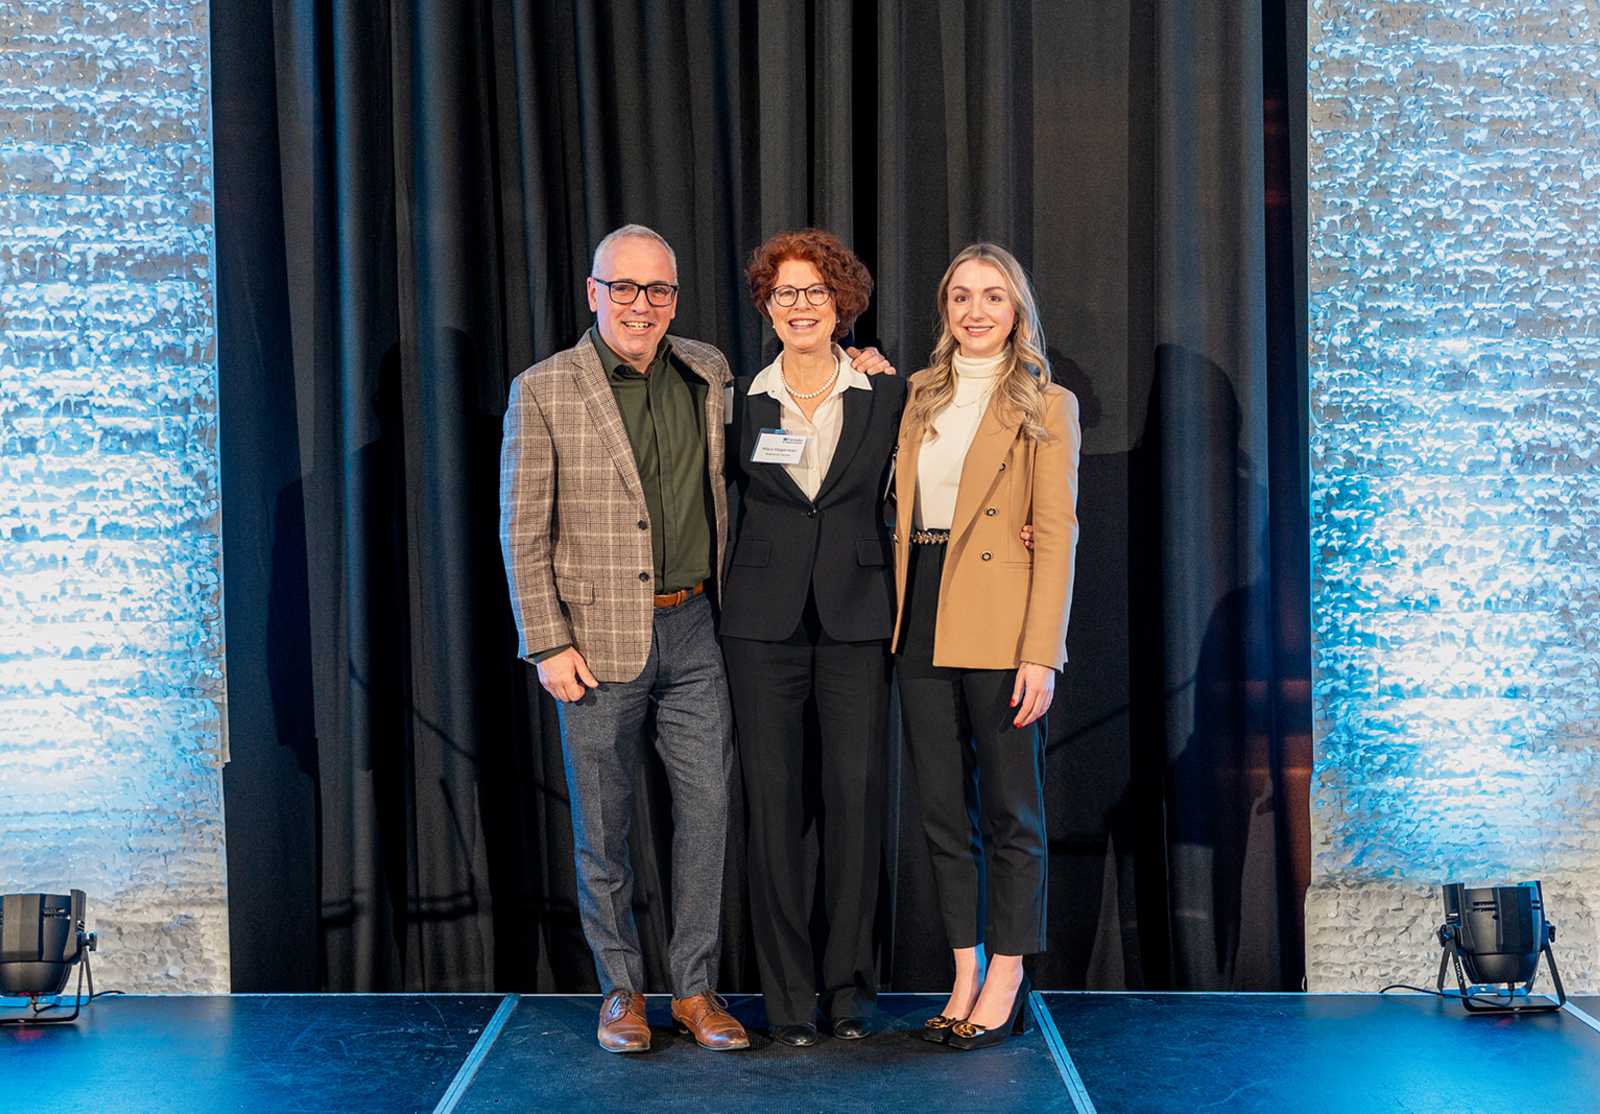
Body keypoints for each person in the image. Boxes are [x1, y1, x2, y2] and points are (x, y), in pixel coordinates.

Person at [499, 223, 892, 1055]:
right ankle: (620, 991)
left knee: (710, 815)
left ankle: (696, 989)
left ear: (676, 298)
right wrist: (547, 643)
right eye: (627, 289)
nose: (643, 306)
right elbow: (522, 530)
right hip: (596, 641)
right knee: (605, 826)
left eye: (660, 290)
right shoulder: (544, 389)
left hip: (697, 630)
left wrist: (863, 365)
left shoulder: (710, 374)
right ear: (593, 291)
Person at [890, 242, 1080, 1051]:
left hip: (1003, 616)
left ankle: (1007, 971)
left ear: (1017, 312)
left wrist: (1043, 652)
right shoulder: (917, 394)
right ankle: (963, 970)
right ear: (944, 309)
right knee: (940, 810)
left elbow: (1059, 533)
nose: (975, 310)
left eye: (993, 297)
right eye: (961, 295)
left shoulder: (1046, 403)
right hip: (921, 608)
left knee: (1011, 809)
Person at [719, 229, 904, 1047]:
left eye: (816, 293)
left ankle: (850, 993)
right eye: (785, 293)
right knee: (774, 811)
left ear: (843, 305)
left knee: (856, 806)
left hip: (858, 620)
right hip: (762, 628)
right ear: (766, 304)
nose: (800, 306)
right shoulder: (732, 397)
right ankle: (789, 1000)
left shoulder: (885, 395)